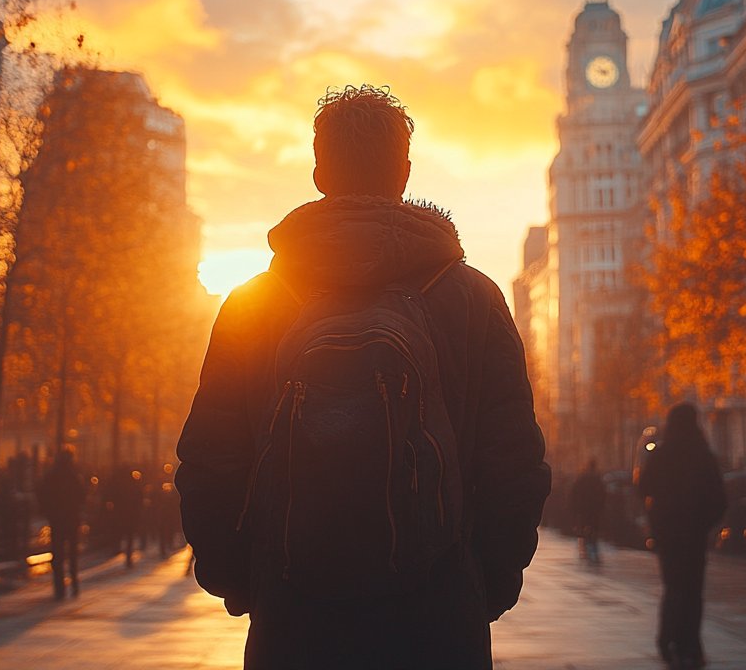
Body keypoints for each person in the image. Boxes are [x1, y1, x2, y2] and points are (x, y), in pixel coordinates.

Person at [176, 84, 550, 669]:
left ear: (320, 171)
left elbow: (210, 457)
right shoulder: (472, 299)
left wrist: (240, 577)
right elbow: (514, 462)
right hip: (436, 615)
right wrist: (487, 582)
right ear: (403, 173)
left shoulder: (256, 303)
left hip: (294, 615)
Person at [636, 403, 726, 670]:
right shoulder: (703, 454)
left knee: (673, 587)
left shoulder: (662, 454)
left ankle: (667, 640)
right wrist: (704, 524)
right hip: (694, 535)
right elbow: (720, 498)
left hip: (668, 534)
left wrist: (657, 519)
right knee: (693, 590)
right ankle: (690, 643)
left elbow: (643, 487)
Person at [39, 447, 85, 599]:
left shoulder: (51, 476)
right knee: (72, 553)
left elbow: (42, 495)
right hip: (72, 519)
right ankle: (74, 583)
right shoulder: (74, 476)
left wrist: (49, 512)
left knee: (57, 553)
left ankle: (59, 587)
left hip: (57, 519)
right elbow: (82, 496)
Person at [570, 459, 607, 563]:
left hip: (583, 507)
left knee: (583, 526)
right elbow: (603, 493)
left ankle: (585, 546)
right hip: (594, 507)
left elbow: (574, 492)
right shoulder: (597, 478)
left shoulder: (582, 478)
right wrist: (601, 505)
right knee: (594, 526)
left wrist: (574, 506)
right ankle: (592, 543)